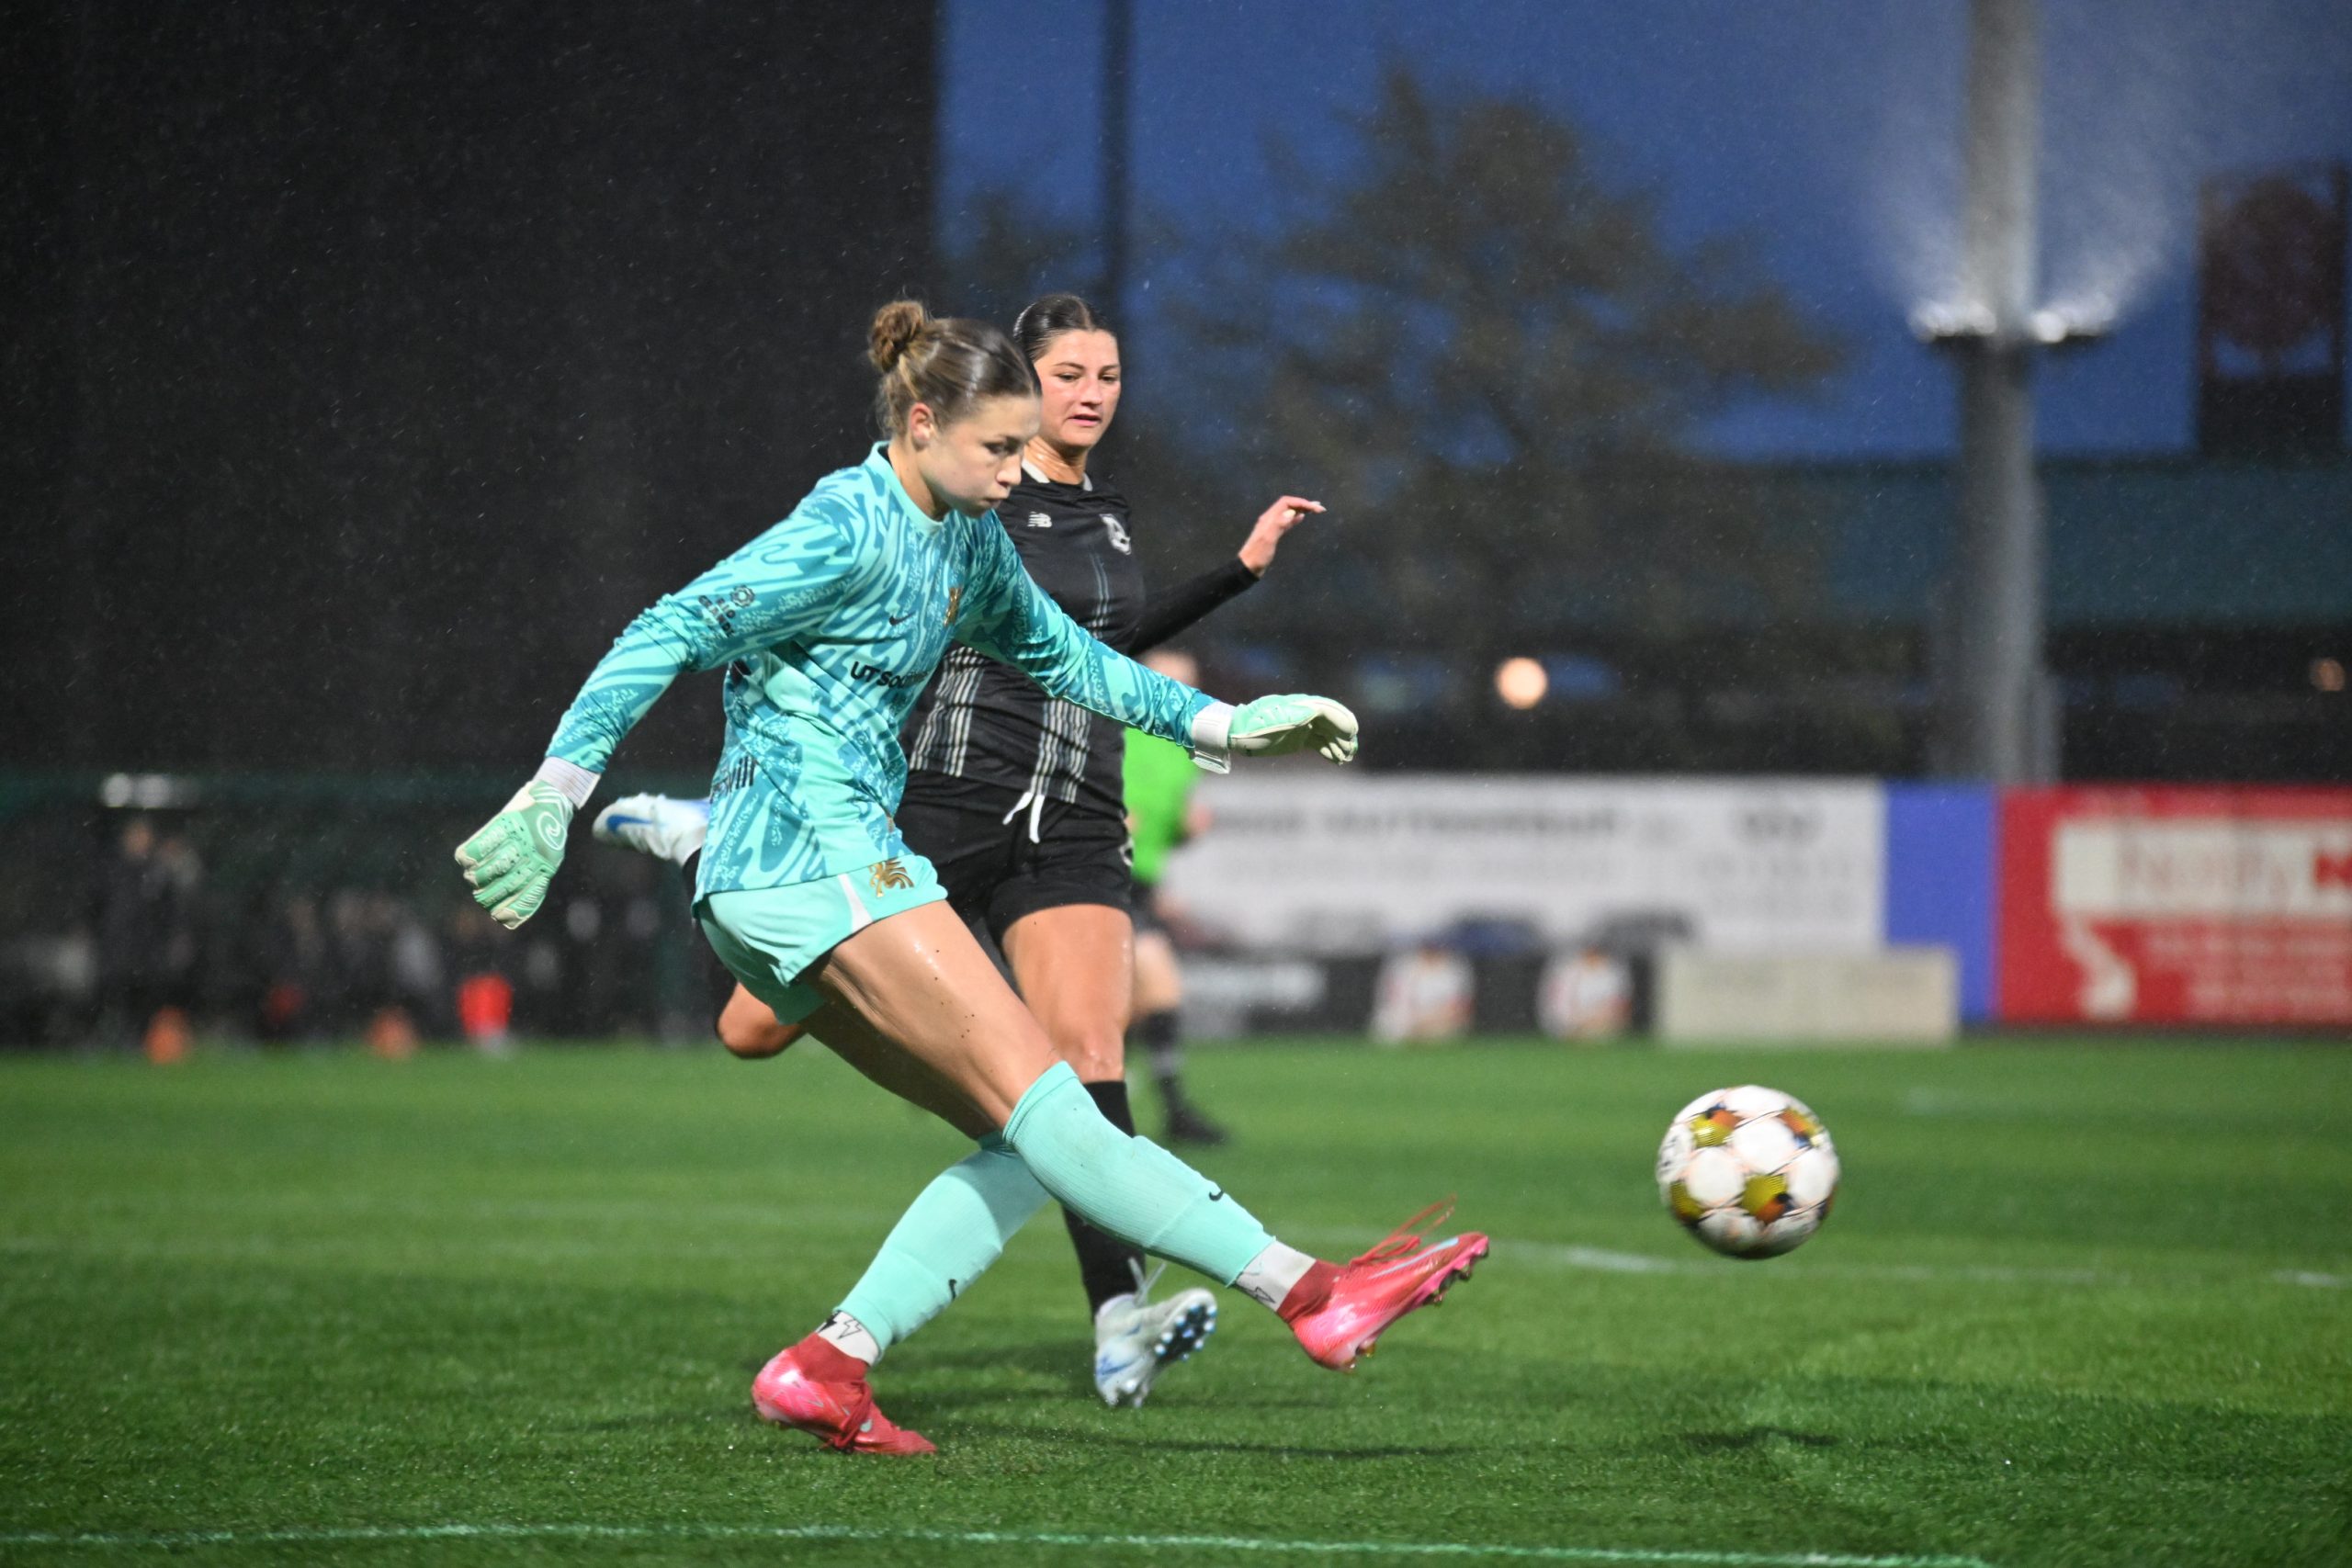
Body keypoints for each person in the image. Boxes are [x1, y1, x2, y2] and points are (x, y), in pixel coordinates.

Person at [455, 300, 1487, 1456]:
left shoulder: (968, 537)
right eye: (998, 447)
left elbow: (1071, 663)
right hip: (825, 866)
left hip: (793, 882)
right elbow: (670, 625)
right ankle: (1312, 1294)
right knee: (1056, 1103)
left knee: (1022, 1141)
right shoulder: (846, 524)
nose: (1017, 469)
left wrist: (1229, 727)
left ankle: (830, 1363)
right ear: (920, 419)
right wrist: (556, 787)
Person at [595, 291, 1318, 1407]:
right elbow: (879, 602)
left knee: (1082, 1058)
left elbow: (1101, 648)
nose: (1090, 395)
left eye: (1108, 375)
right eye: (1067, 375)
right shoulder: (975, 495)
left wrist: (1237, 576)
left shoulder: (1106, 516)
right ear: (1013, 394)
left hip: (1073, 805)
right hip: (952, 787)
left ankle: (1117, 1314)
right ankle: (718, 846)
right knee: (747, 1031)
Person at [1120, 646, 1227, 1143]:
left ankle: (1138, 1107)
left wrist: (1186, 831)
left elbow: (1161, 833)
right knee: (1152, 987)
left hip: (1136, 886)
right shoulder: (1112, 729)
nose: (1182, 693)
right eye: (1170, 681)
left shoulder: (1184, 753)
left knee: (1141, 996)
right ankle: (1168, 1110)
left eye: (1189, 683)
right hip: (1095, 874)